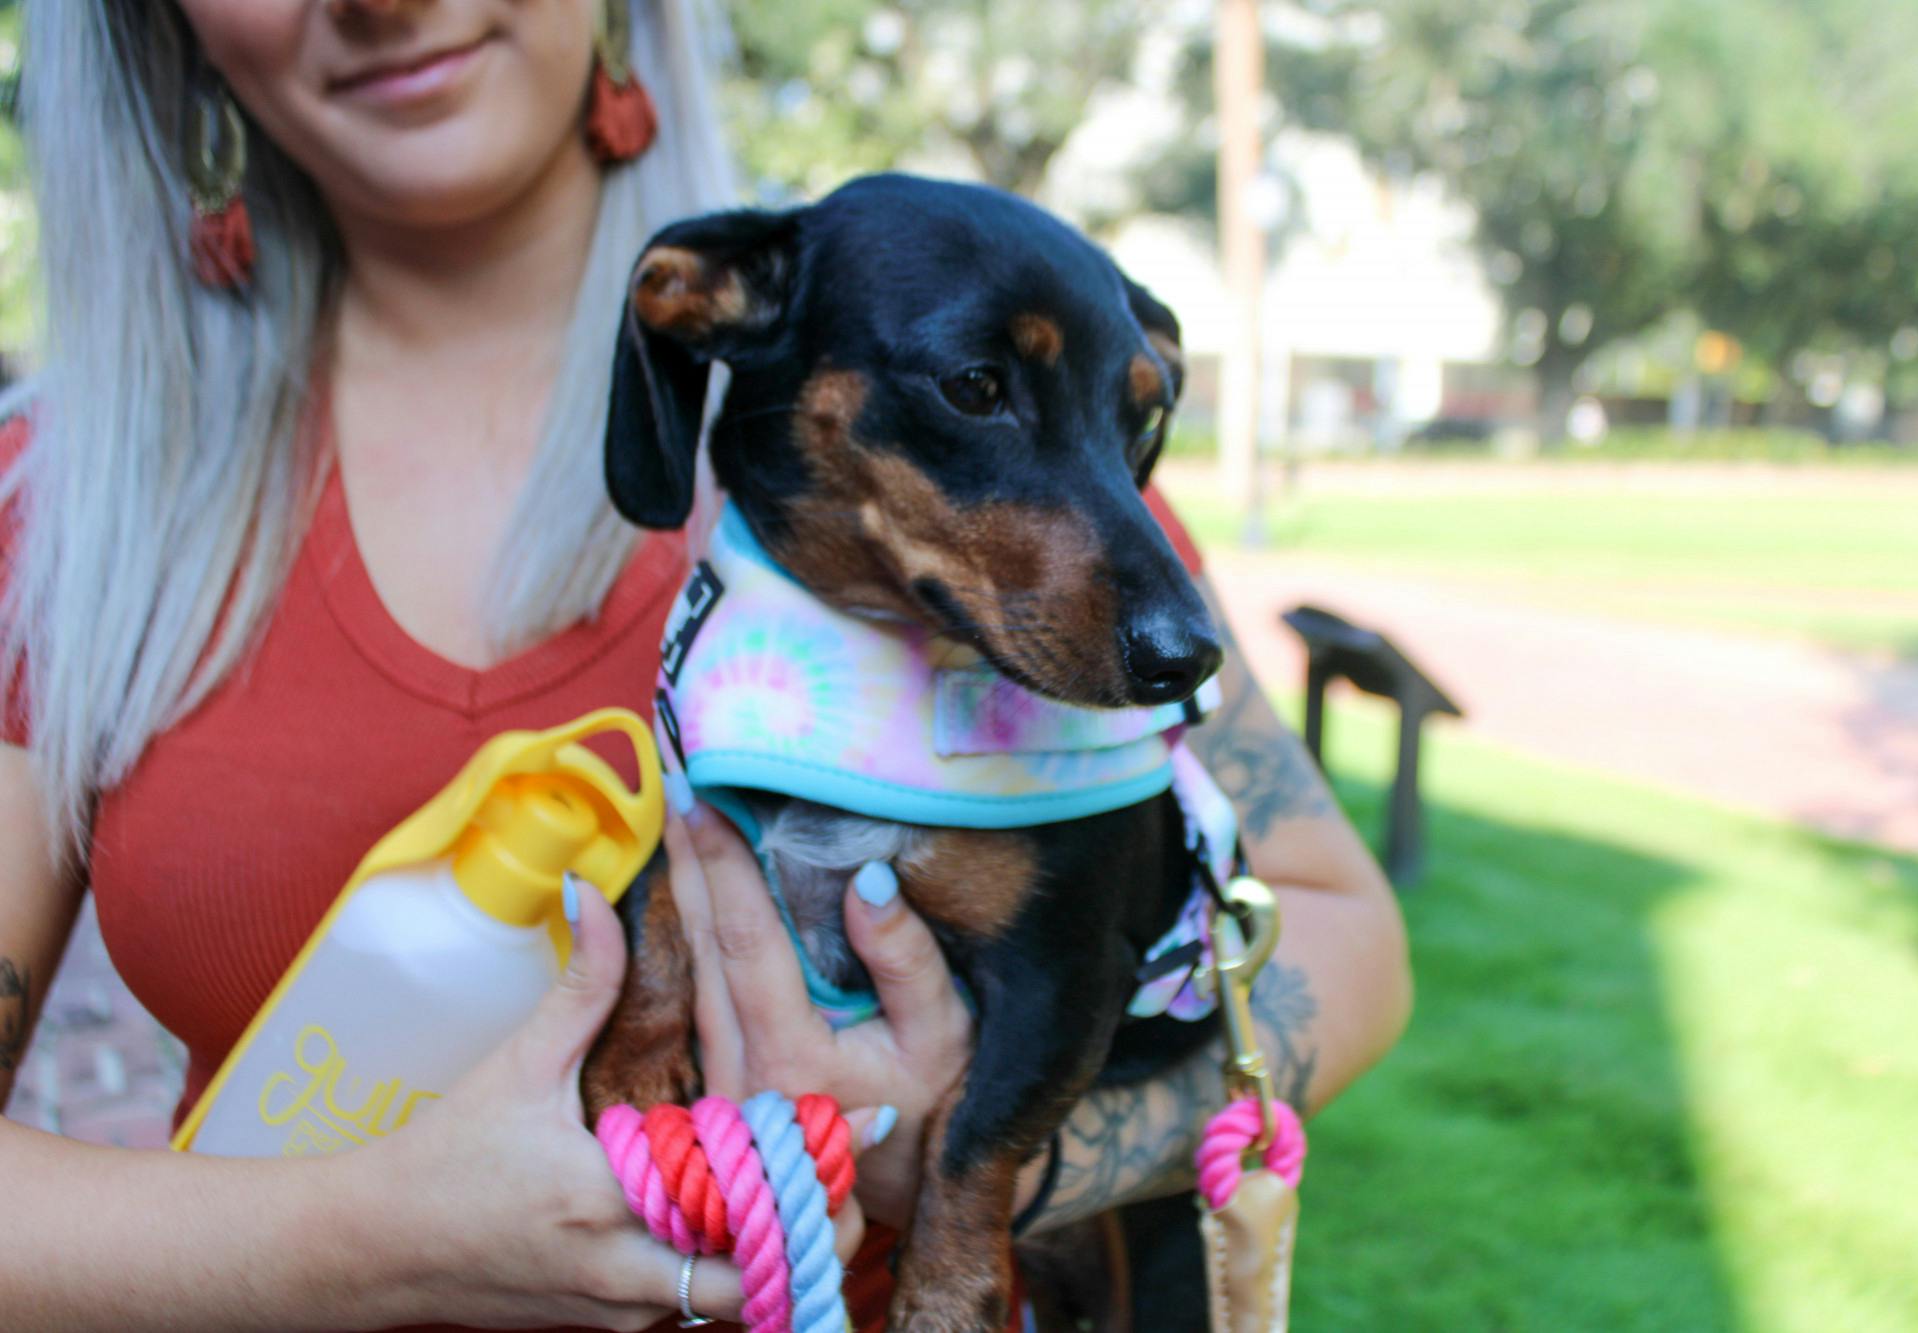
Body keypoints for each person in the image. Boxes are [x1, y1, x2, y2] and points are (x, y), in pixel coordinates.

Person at [0, 1, 1411, 1328]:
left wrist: (990, 1175)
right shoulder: (55, 517)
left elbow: (1344, 934)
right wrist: (376, 1236)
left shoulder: (1042, 503)